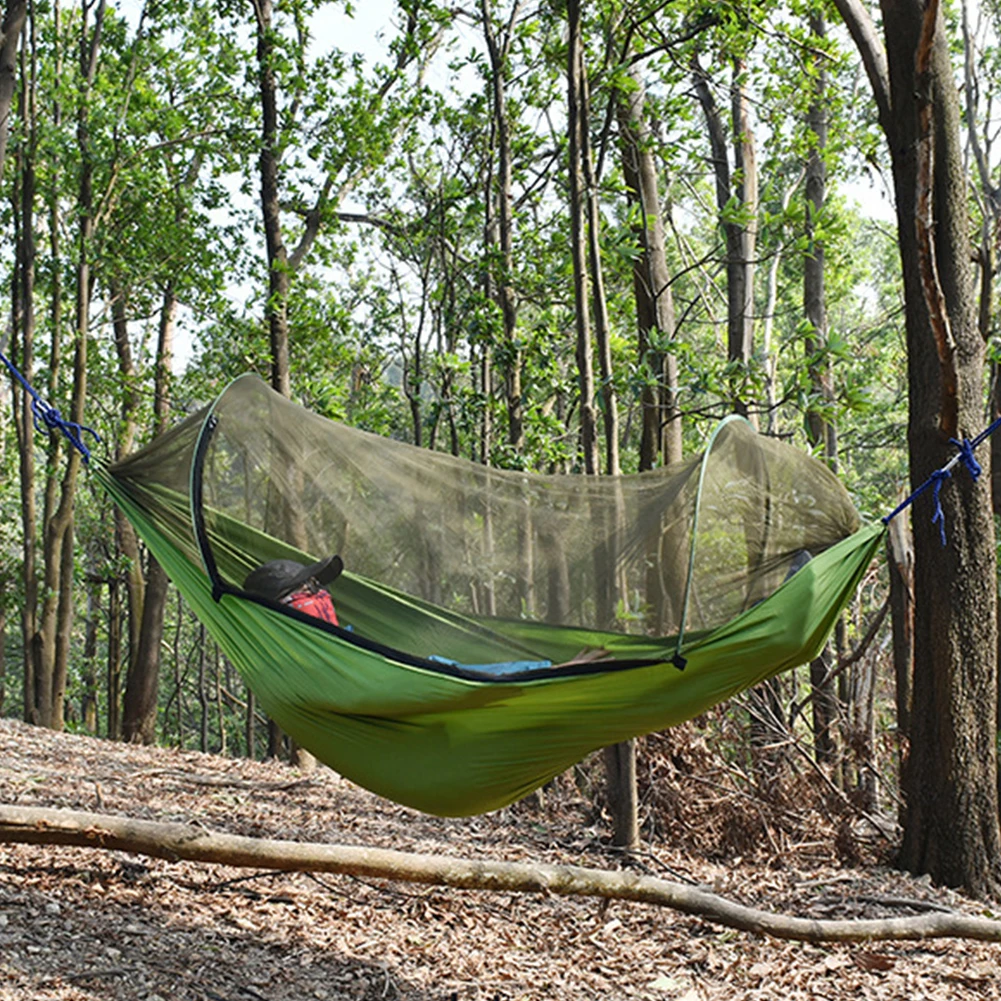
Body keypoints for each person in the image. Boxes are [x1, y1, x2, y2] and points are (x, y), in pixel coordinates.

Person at [243, 555, 343, 625]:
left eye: (310, 584)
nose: (307, 589)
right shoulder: (317, 603)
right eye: (300, 585)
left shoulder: (315, 603)